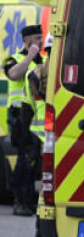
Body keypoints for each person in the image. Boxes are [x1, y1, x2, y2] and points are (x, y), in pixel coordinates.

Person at [5, 24, 43, 215]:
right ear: (27, 40)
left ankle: (30, 201)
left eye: (41, 37)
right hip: (19, 117)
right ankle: (21, 201)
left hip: (38, 118)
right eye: (36, 38)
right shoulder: (15, 59)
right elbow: (13, 75)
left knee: (34, 160)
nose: (40, 41)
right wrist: (30, 56)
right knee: (23, 159)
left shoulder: (43, 61)